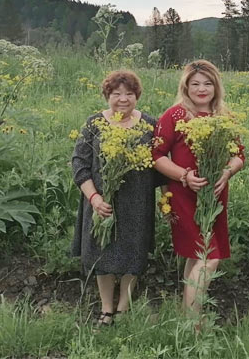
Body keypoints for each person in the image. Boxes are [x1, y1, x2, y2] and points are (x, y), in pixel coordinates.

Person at [153, 60, 244, 316]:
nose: (201, 89)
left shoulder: (224, 118)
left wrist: (227, 171)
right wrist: (184, 176)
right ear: (186, 86)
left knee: (196, 256)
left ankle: (186, 315)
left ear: (216, 87)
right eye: (195, 84)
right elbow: (157, 155)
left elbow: (240, 155)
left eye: (207, 83)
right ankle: (193, 324)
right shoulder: (174, 115)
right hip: (183, 195)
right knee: (208, 257)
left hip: (213, 197)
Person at [70, 70, 160, 327]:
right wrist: (95, 198)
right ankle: (106, 309)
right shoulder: (94, 123)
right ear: (107, 95)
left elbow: (162, 163)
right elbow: (79, 164)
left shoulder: (150, 125)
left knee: (134, 253)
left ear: (137, 96)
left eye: (129, 93)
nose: (123, 99)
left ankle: (123, 309)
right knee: (102, 253)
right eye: (116, 93)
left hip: (138, 202)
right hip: (101, 203)